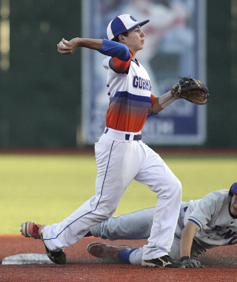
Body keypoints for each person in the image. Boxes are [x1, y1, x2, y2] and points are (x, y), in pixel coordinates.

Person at [20, 14, 191, 268]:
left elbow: (152, 107)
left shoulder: (140, 69)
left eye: (141, 29)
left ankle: (155, 252)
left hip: (137, 146)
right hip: (118, 145)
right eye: (136, 30)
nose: (142, 33)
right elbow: (116, 49)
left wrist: (175, 94)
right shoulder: (120, 60)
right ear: (122, 37)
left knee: (172, 187)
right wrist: (78, 41)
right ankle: (52, 236)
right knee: (102, 208)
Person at [85, 175, 237, 270]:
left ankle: (119, 254)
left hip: (191, 245)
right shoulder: (217, 199)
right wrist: (184, 258)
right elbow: (191, 226)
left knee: (149, 258)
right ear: (233, 192)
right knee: (114, 226)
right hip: (175, 217)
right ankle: (65, 230)